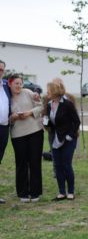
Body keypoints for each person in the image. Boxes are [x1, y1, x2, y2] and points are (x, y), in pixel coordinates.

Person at [8, 74, 44, 202]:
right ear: (10, 84)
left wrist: (29, 113)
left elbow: (41, 106)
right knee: (21, 163)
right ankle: (22, 193)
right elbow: (5, 117)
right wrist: (13, 117)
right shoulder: (6, 97)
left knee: (35, 162)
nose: (19, 86)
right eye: (16, 83)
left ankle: (35, 192)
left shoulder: (28, 92)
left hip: (35, 131)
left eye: (20, 83)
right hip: (18, 134)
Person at [46, 79, 81, 201]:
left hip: (68, 139)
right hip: (56, 138)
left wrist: (70, 136)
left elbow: (76, 121)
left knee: (66, 165)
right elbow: (53, 122)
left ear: (54, 91)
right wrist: (46, 123)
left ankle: (71, 191)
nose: (47, 93)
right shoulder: (49, 104)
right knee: (58, 165)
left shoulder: (67, 104)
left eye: (48, 91)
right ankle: (61, 192)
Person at [0, 60, 12, 204]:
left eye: (2, 70)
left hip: (3, 128)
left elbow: (18, 89)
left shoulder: (5, 85)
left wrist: (35, 94)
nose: (0, 72)